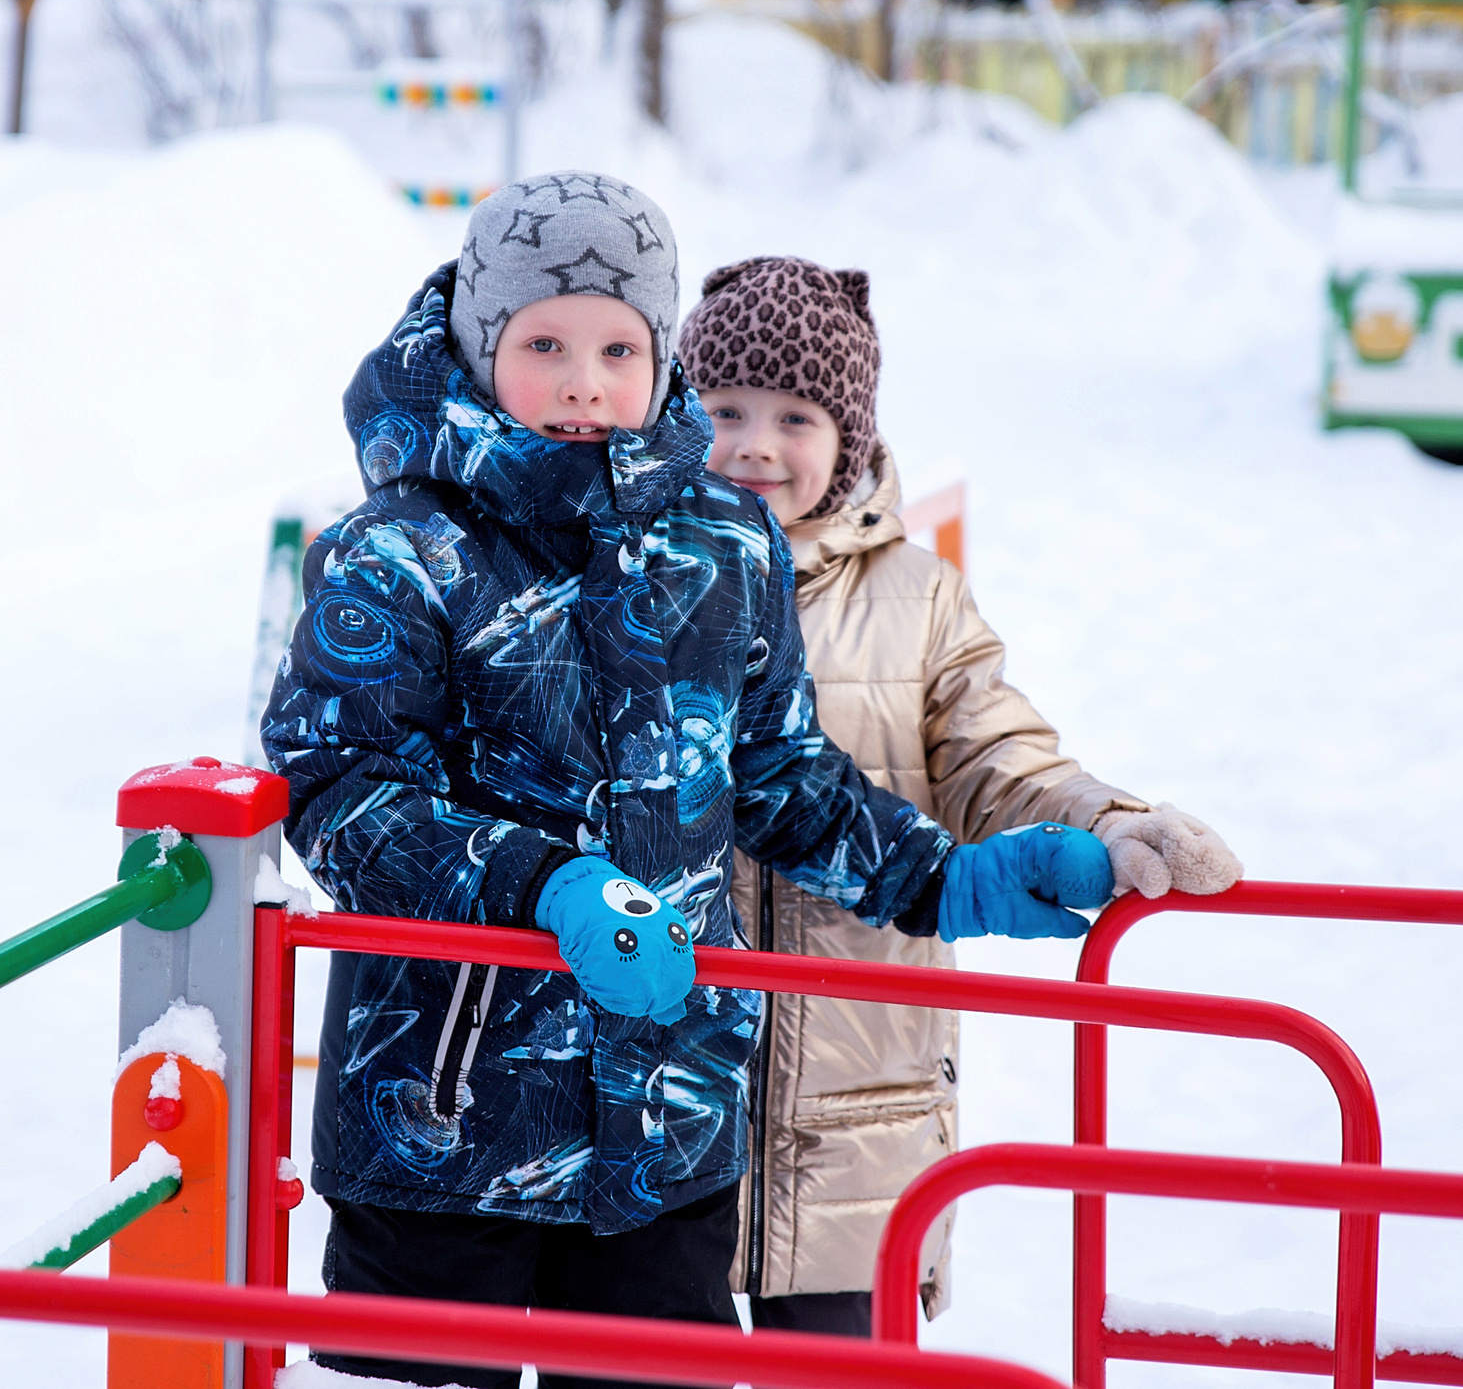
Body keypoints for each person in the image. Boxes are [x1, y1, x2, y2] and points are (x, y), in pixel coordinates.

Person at [260, 174, 1115, 1389]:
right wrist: (546, 887)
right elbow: (340, 791)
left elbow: (780, 776)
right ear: (477, 342)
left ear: (660, 357)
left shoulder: (724, 539)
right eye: (543, 345)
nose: (583, 383)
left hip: (670, 1122)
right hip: (442, 1127)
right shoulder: (400, 550)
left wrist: (949, 880)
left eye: (618, 349)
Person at [676, 255, 1245, 1337]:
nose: (754, 444)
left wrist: (1105, 819)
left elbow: (995, 753)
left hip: (852, 1092)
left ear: (850, 438)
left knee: (833, 1362)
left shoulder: (916, 599)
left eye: (795, 416)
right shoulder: (633, 577)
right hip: (665, 1091)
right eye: (725, 409)